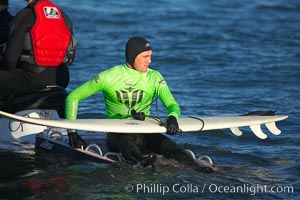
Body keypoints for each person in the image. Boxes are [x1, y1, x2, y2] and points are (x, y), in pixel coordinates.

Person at [65, 37, 217, 172]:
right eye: (145, 56)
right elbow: (73, 97)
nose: (149, 61)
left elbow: (172, 104)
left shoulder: (154, 77)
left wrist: (172, 117)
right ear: (132, 56)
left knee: (173, 149)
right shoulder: (109, 77)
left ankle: (199, 167)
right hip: (117, 135)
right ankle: (141, 162)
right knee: (127, 143)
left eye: (150, 56)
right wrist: (72, 133)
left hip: (145, 132)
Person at [0, 0, 76, 97]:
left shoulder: (25, 15)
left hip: (32, 79)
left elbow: (9, 60)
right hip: (61, 79)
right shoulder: (64, 16)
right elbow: (70, 58)